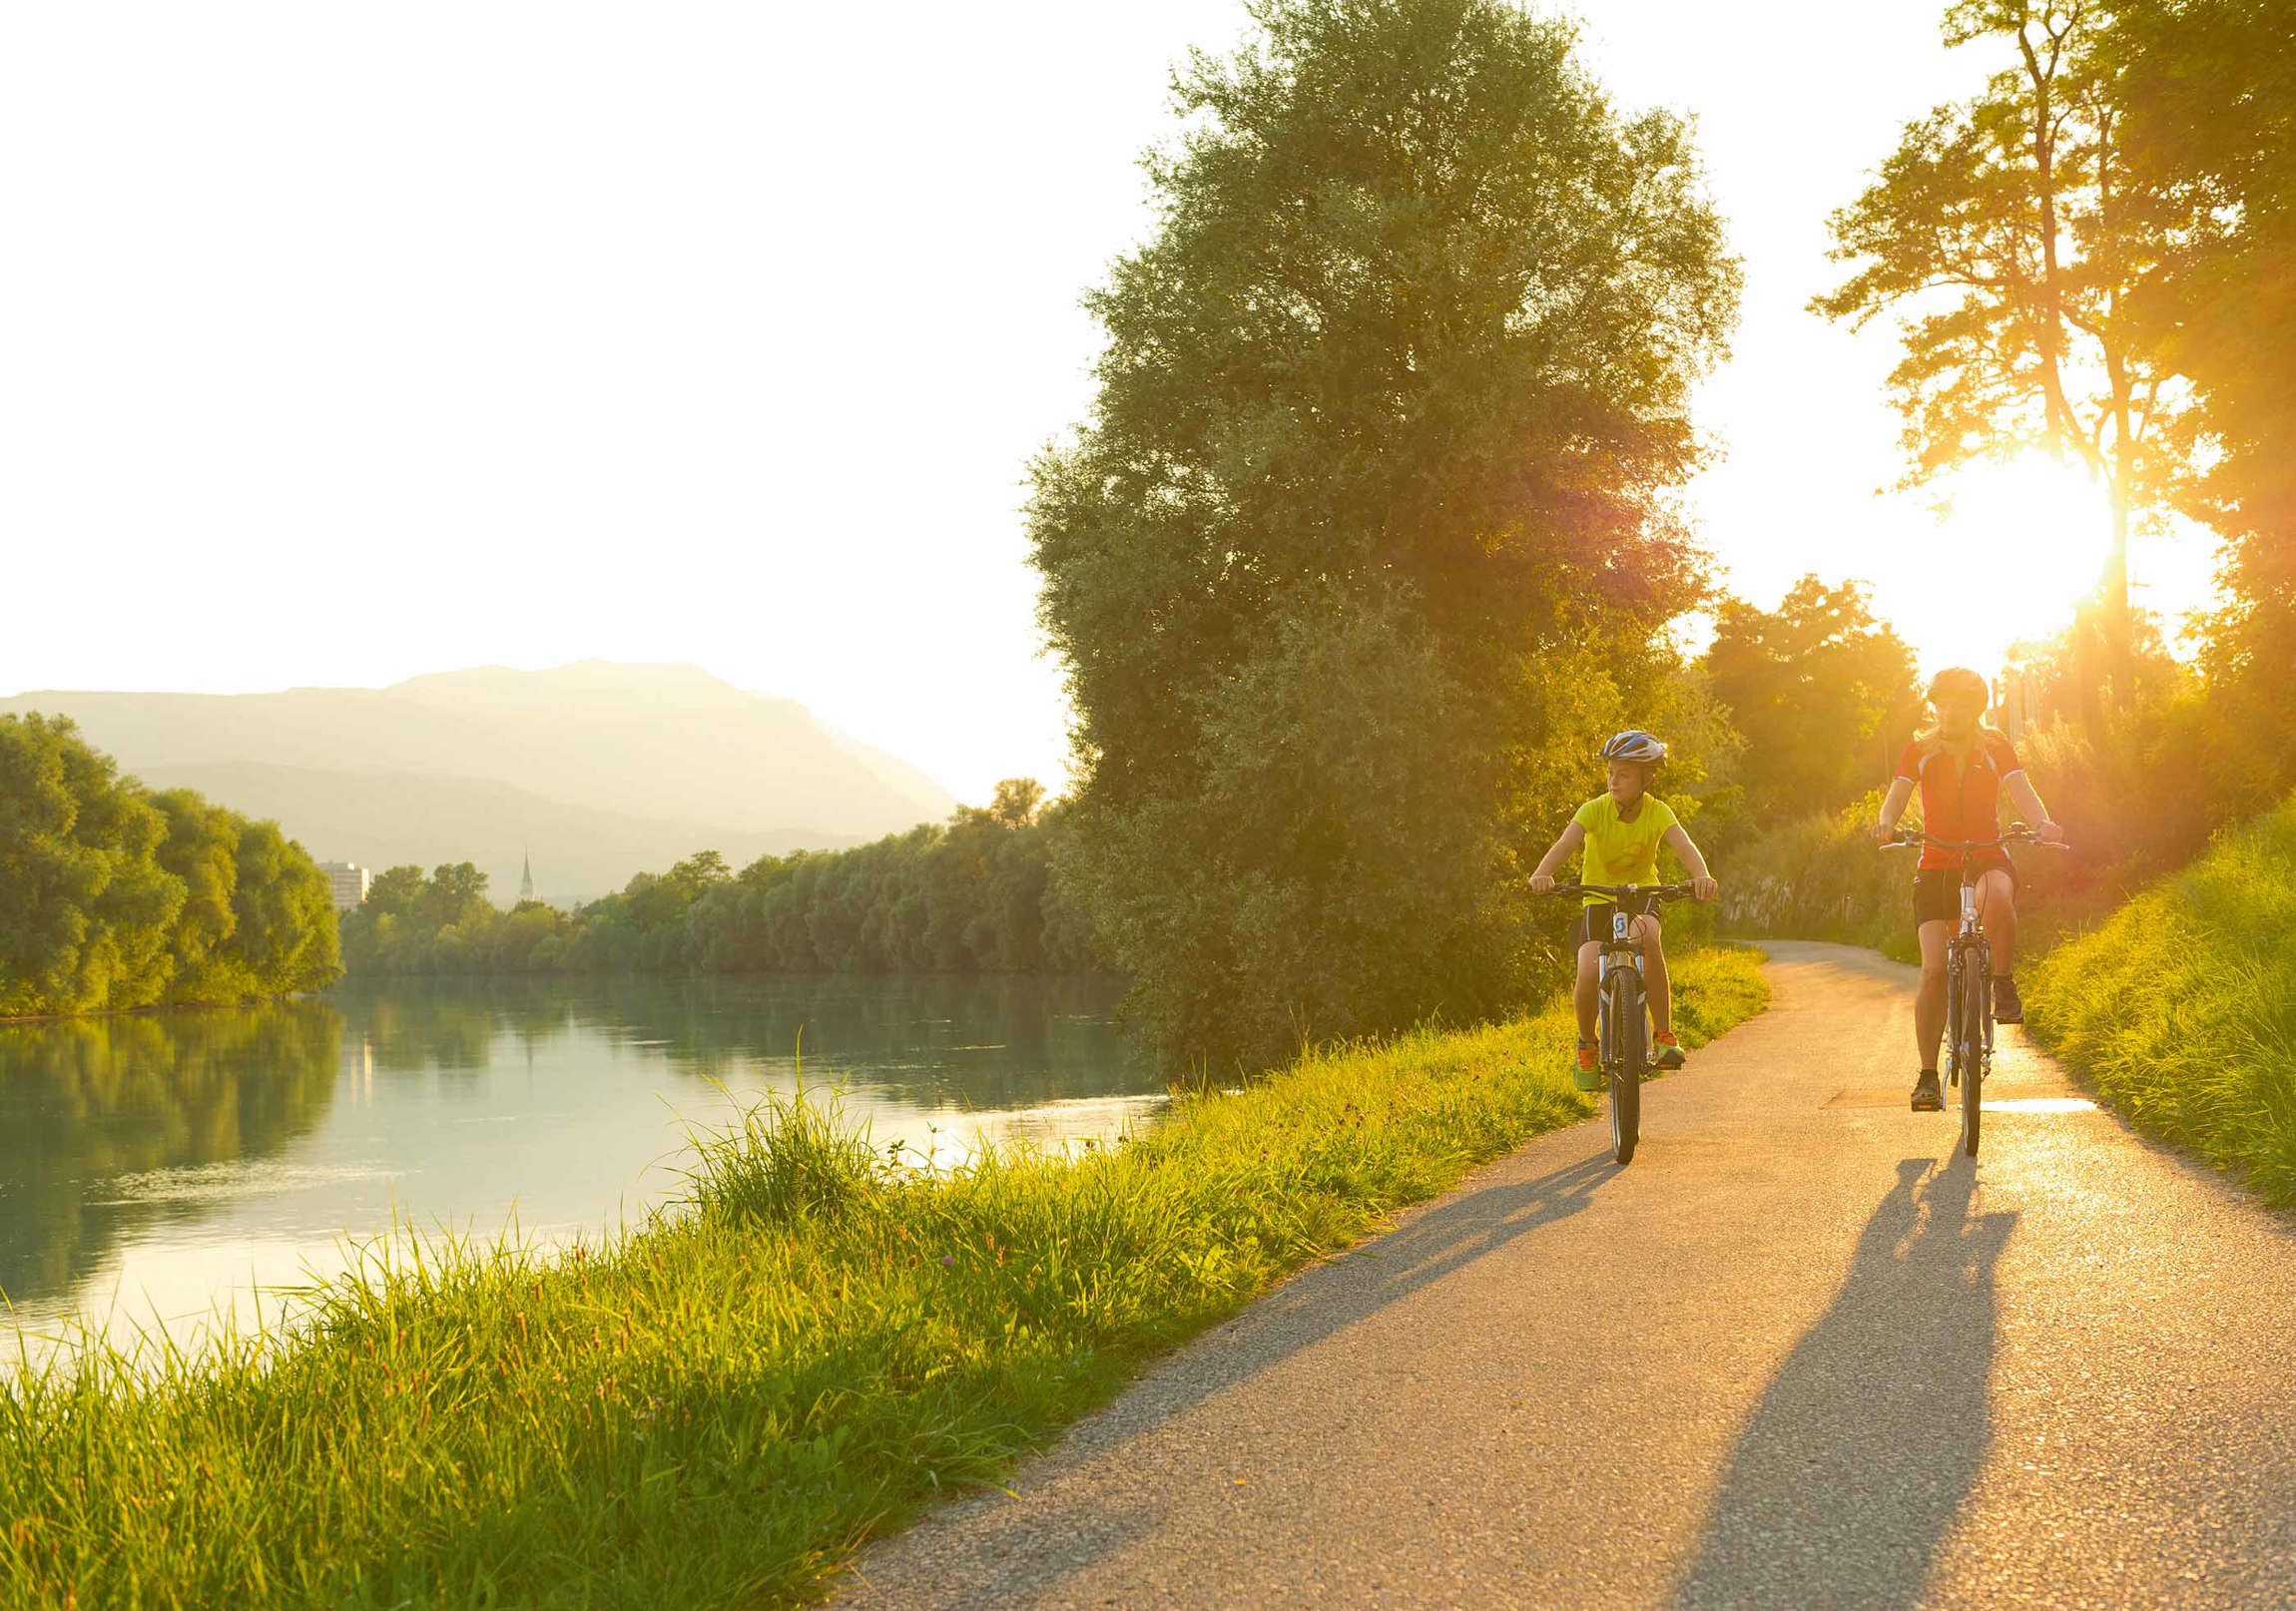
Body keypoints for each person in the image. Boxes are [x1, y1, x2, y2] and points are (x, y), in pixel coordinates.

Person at [1874, 667, 2063, 1112]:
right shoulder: (1918, 750)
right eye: (1942, 702)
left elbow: (2022, 790)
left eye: (1960, 703)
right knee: (1934, 971)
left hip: (1987, 854)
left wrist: (2043, 824)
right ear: (1934, 705)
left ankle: (2001, 982)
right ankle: (1926, 1075)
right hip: (1936, 863)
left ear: (1976, 708)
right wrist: (1886, 822)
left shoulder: (1996, 746)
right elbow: (1897, 794)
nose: (1949, 711)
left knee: (1998, 894)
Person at [1530, 731, 1720, 1089]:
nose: (1614, 781)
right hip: (1598, 899)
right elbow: (1565, 843)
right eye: (1611, 773)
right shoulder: (1594, 809)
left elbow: (1685, 845)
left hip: (1641, 895)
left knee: (1648, 940)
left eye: (1624, 774)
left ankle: (1663, 1036)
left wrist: (1702, 876)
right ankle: (1587, 1046)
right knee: (1587, 968)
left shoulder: (1658, 811)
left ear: (1647, 779)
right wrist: (1543, 874)